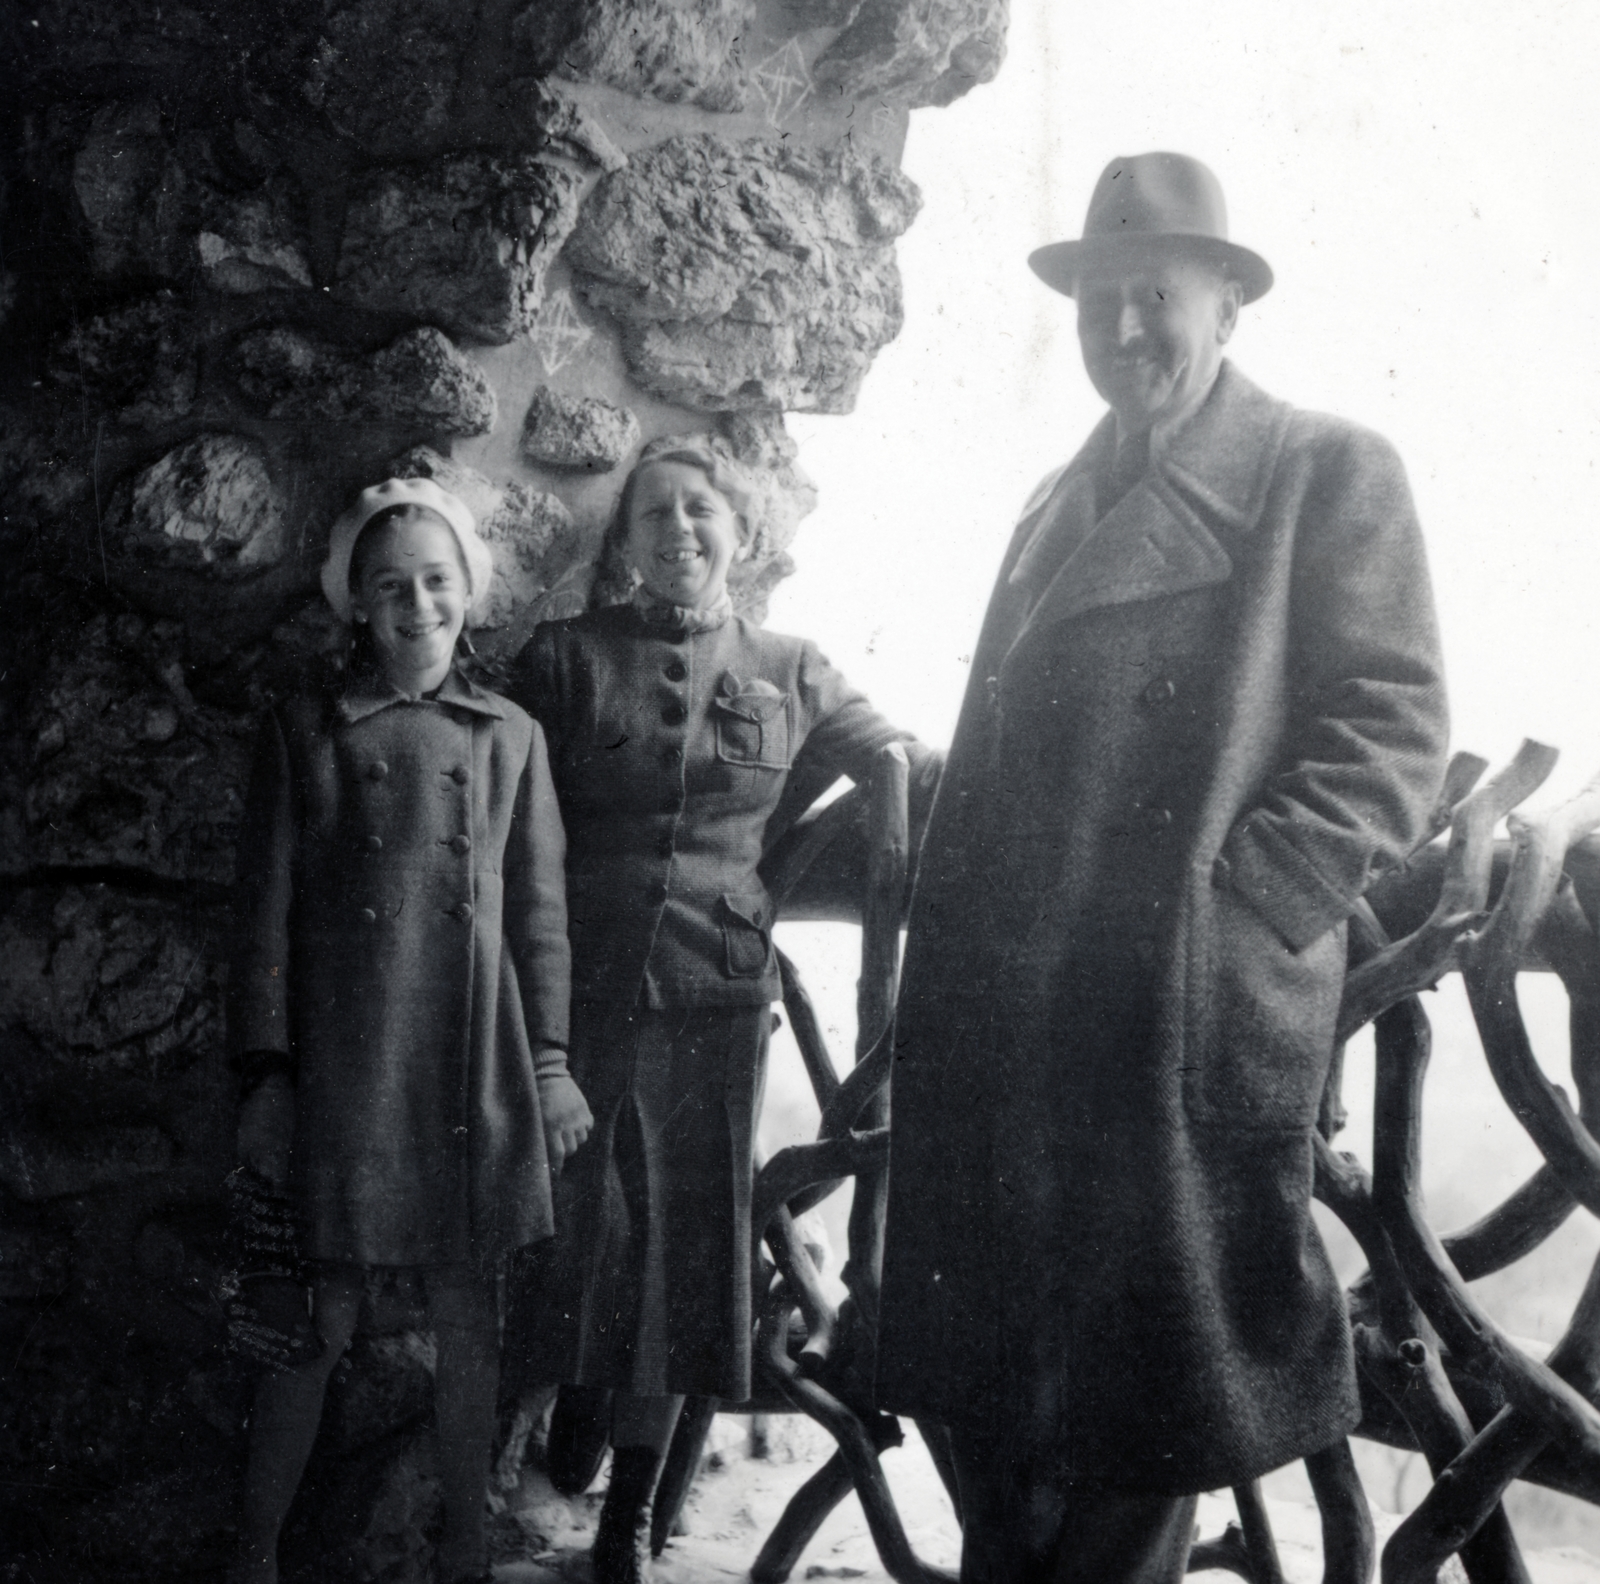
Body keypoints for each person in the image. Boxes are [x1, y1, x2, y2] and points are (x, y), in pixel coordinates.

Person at [875, 153, 1450, 1583]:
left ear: (1230, 306)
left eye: (1156, 299)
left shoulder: (1323, 470)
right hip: (1014, 1028)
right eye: (1098, 307)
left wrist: (1234, 921)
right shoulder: (1046, 506)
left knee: (1154, 1391)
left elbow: (1393, 726)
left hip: (1169, 1025)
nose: (1123, 331)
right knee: (997, 1394)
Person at [507, 435, 939, 1584]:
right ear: (628, 544)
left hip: (714, 1001)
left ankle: (628, 1519)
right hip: (578, 991)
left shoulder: (793, 668)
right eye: (654, 515)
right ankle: (510, 1469)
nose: (680, 531)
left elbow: (901, 756)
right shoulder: (561, 659)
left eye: (701, 511)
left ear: (739, 536)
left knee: (675, 1263)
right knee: (560, 1233)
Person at [228, 478, 590, 1584]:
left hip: (468, 1062)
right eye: (391, 588)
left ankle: (465, 1552)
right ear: (356, 607)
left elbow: (539, 916)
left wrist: (551, 1062)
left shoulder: (510, 738)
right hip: (349, 1064)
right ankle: (253, 1556)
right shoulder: (306, 733)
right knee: (316, 1313)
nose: (417, 606)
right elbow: (266, 918)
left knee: (466, 1312)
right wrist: (269, 1074)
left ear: (469, 594)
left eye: (437, 582)